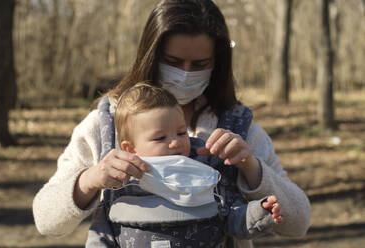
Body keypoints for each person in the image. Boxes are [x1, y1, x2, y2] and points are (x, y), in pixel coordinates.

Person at [32, 0, 311, 247]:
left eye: (200, 64)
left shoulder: (239, 129)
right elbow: (46, 220)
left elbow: (298, 223)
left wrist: (250, 167)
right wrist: (91, 179)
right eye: (173, 61)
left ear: (218, 63)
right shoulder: (104, 125)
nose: (185, 74)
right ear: (151, 54)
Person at [85, 83, 283, 247]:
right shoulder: (122, 181)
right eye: (161, 137)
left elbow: (231, 215)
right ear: (130, 149)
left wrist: (259, 211)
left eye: (181, 133)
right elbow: (102, 233)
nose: (175, 142)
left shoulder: (203, 172)